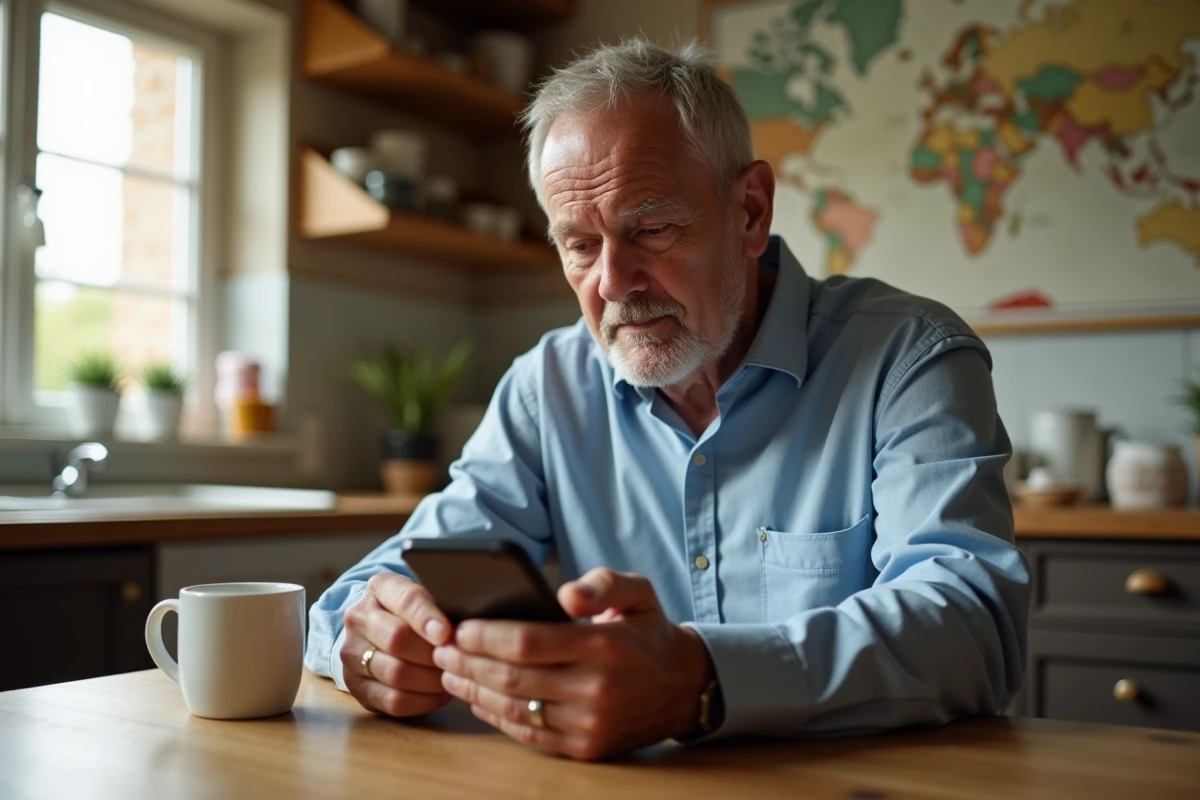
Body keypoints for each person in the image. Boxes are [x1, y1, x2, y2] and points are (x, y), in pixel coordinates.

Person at [306, 39, 1030, 761]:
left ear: (749, 211)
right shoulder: (549, 384)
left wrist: (699, 680)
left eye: (650, 230)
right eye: (580, 246)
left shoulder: (910, 356)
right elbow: (372, 590)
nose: (616, 283)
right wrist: (369, 645)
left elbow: (972, 625)